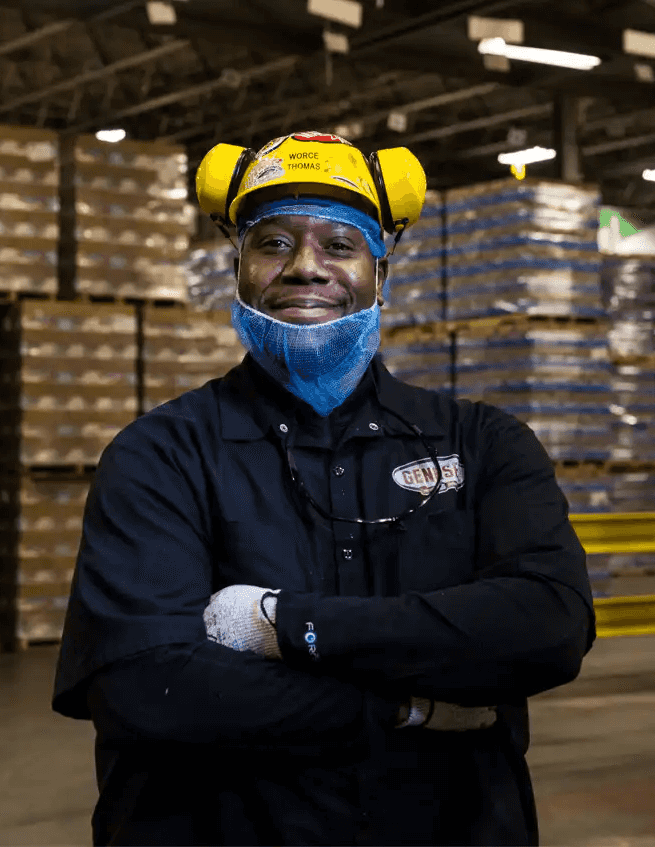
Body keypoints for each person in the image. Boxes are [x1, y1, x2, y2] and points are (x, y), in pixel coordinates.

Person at [52, 130, 595, 846]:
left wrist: (283, 624)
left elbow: (547, 627)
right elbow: (147, 688)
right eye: (273, 243)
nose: (306, 267)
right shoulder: (159, 455)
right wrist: (409, 706)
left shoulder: (482, 443)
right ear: (237, 268)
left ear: (381, 273)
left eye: (339, 244)